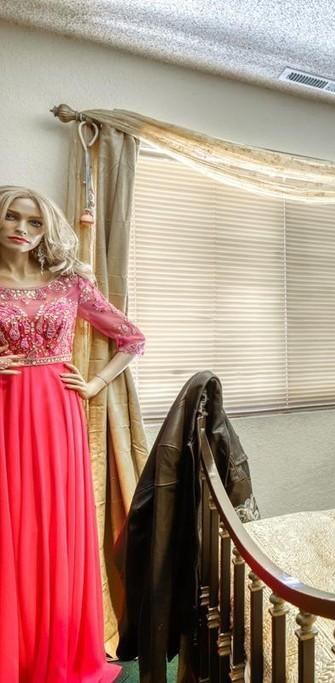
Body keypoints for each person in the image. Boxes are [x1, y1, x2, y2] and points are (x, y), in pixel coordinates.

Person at [0, 186, 144, 682]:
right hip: (4, 411)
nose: (21, 228)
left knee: (53, 526)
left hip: (59, 412)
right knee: (9, 530)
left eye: (34, 222)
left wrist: (97, 383)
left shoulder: (69, 283)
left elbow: (131, 337)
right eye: (11, 218)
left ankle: (55, 655)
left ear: (46, 230)